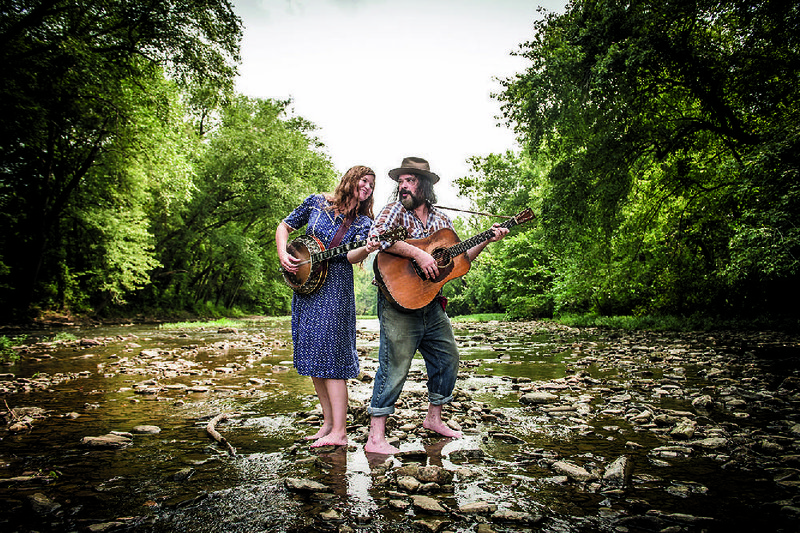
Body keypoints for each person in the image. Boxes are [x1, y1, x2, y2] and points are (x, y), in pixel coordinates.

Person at [364, 156, 509, 455]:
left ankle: (434, 419)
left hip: (431, 303)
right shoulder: (394, 210)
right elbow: (376, 238)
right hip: (397, 301)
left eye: (410, 181)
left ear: (425, 185)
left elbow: (459, 261)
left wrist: (487, 240)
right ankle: (375, 437)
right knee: (394, 366)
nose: (403, 186)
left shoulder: (442, 222)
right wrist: (419, 255)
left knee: (448, 358)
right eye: (400, 181)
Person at [276, 165, 380, 447]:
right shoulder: (317, 202)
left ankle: (341, 432)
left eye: (372, 184)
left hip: (335, 291)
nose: (368, 187)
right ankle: (328, 423)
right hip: (306, 289)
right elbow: (284, 226)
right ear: (350, 179)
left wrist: (368, 248)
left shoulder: (363, 223)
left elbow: (350, 257)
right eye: (364, 180)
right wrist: (283, 254)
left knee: (332, 360)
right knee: (313, 356)